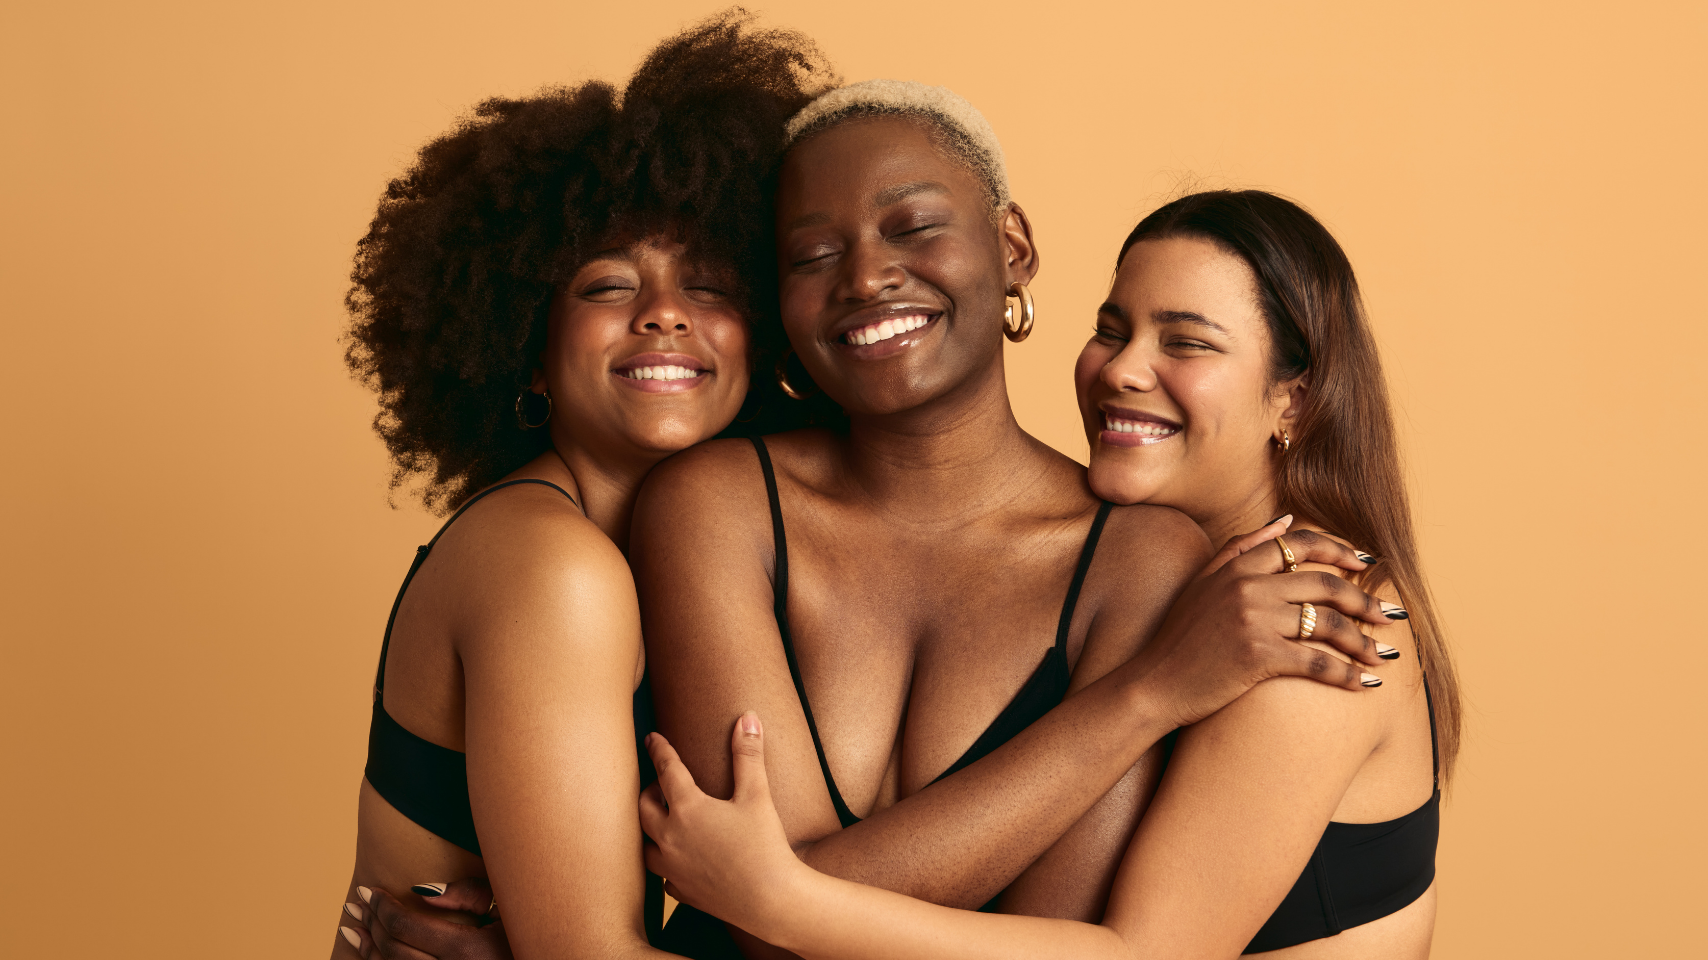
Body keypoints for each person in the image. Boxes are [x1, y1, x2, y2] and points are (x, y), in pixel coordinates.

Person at [343, 83, 1394, 960]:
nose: (865, 275)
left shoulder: (1153, 561)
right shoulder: (706, 507)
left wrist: (763, 895)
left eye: (914, 224)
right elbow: (754, 934)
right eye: (808, 254)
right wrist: (1141, 696)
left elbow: (785, 909)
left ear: (1013, 247)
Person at [640, 189, 1459, 959]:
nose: (1123, 370)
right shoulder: (1187, 590)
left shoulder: (1323, 612)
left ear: (1295, 400)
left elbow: (1142, 954)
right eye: (1113, 329)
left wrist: (782, 900)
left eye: (1186, 342)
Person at [326, 13, 837, 960]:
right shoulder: (552, 568)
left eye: (712, 287)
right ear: (526, 350)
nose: (665, 316)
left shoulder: (688, 547)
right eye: (609, 286)